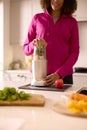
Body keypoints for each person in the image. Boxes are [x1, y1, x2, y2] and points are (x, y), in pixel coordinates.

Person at [23, 0, 80, 86]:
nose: (56, 0)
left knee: (64, 100)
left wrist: (59, 73)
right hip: (40, 75)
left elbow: (74, 52)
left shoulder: (72, 22)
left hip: (63, 76)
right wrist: (34, 43)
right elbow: (26, 49)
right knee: (40, 99)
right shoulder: (37, 18)